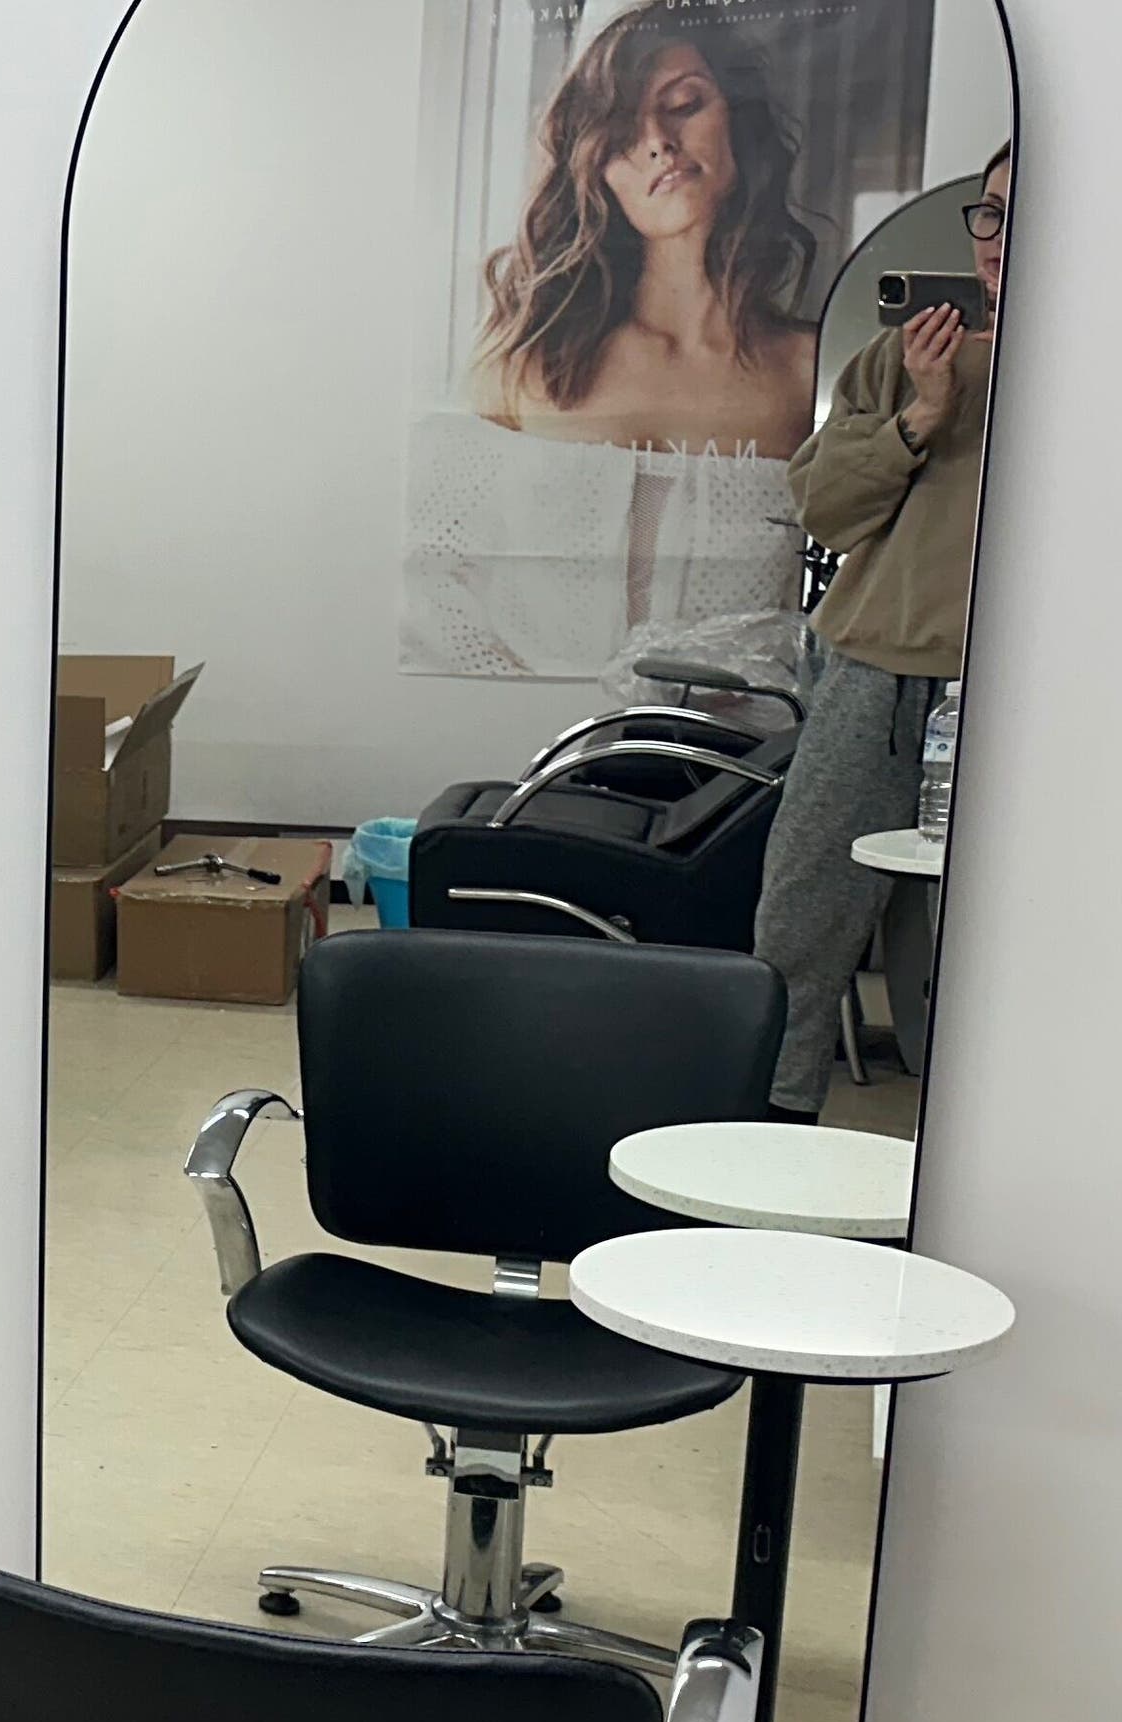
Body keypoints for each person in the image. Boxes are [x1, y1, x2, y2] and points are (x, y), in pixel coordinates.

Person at [404, 4, 822, 677]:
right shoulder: (526, 365)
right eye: (622, 127)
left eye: (684, 104)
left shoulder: (810, 371)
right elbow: (437, 590)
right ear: (594, 166)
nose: (656, 140)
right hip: (537, 749)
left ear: (736, 126)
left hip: (738, 763)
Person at [755, 144, 1008, 1120]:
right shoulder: (903, 359)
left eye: (1022, 213)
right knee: (804, 914)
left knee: (1001, 941)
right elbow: (823, 507)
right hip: (877, 674)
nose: (995, 238)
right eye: (985, 215)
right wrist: (920, 416)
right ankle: (773, 1122)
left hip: (1037, 696)